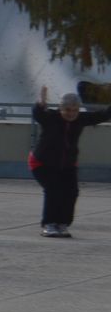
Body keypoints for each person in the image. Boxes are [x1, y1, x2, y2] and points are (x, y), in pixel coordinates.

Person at [31, 87, 110, 237]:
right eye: (67, 110)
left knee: (71, 192)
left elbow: (103, 115)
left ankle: (62, 224)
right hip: (42, 163)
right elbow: (38, 114)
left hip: (67, 165)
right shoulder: (51, 117)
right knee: (54, 190)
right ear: (60, 108)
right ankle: (49, 224)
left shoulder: (81, 119)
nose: (71, 113)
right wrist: (40, 104)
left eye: (75, 110)